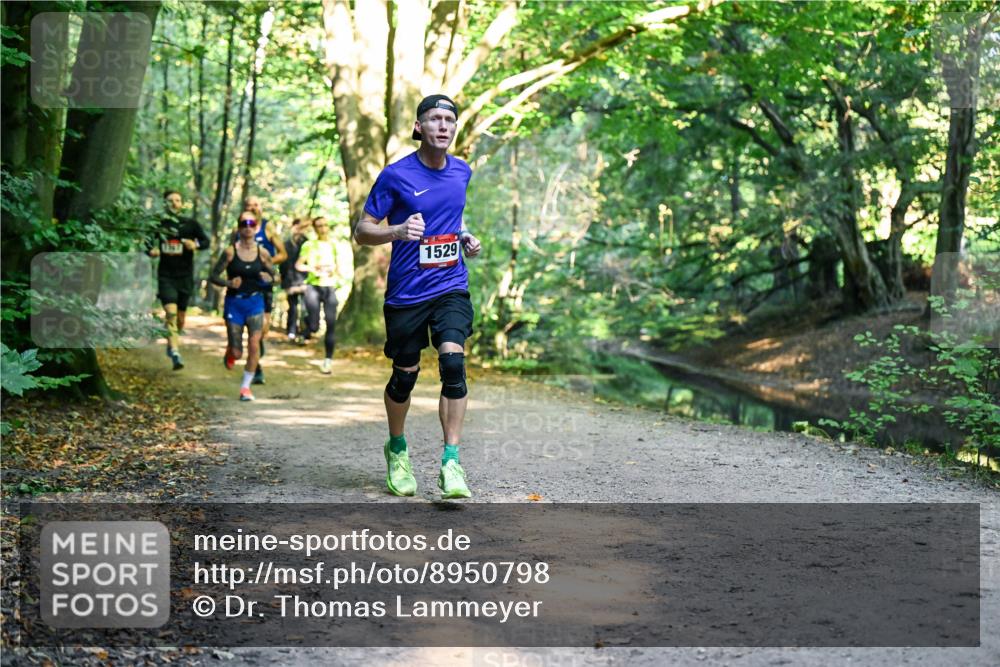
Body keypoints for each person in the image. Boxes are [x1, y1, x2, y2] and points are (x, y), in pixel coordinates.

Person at [354, 94, 482, 499]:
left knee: (453, 363)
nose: (443, 126)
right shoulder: (395, 176)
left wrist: (464, 237)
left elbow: (452, 216)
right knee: (404, 376)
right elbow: (362, 230)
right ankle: (397, 449)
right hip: (407, 292)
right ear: (418, 128)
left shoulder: (462, 171)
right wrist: (395, 231)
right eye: (435, 119)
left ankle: (451, 462)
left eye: (449, 120)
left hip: (450, 285)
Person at [209, 210, 275, 401]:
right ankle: (231, 352)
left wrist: (269, 277)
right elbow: (213, 276)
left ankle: (245, 388)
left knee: (254, 344)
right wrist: (228, 284)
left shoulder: (262, 253)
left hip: (255, 302)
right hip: (234, 303)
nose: (247, 227)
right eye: (243, 224)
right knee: (237, 352)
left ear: (256, 227)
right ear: (238, 228)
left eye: (251, 224)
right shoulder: (230, 252)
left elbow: (276, 278)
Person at [147, 190, 211, 370]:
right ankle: (175, 351)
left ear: (182, 203)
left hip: (185, 277)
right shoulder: (159, 224)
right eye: (170, 200)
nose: (174, 203)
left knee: (181, 319)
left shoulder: (190, 224)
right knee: (171, 314)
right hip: (166, 276)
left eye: (177, 200)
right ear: (164, 204)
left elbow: (206, 242)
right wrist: (152, 251)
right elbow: (146, 244)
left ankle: (172, 341)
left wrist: (195, 245)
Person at [242, 195, 287, 384]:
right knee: (252, 329)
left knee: (261, 329)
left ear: (261, 208)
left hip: (264, 284)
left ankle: (256, 355)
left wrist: (265, 261)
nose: (252, 208)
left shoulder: (268, 228)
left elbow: (283, 254)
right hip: (245, 285)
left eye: (256, 204)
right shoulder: (240, 229)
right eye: (248, 205)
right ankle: (256, 367)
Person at [295, 216, 348, 374]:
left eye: (325, 225)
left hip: (329, 287)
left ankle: (328, 361)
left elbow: (338, 268)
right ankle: (305, 327)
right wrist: (312, 268)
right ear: (314, 228)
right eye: (319, 226)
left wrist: (335, 274)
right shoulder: (309, 245)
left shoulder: (334, 245)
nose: (323, 228)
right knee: (314, 326)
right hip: (313, 287)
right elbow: (298, 265)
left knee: (331, 325)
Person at [281, 217, 311, 341]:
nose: (298, 230)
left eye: (301, 228)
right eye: (296, 227)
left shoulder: (307, 243)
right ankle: (291, 331)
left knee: (305, 307)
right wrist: (285, 282)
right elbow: (283, 264)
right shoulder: (286, 244)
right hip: (290, 280)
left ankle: (305, 332)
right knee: (292, 308)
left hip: (305, 280)